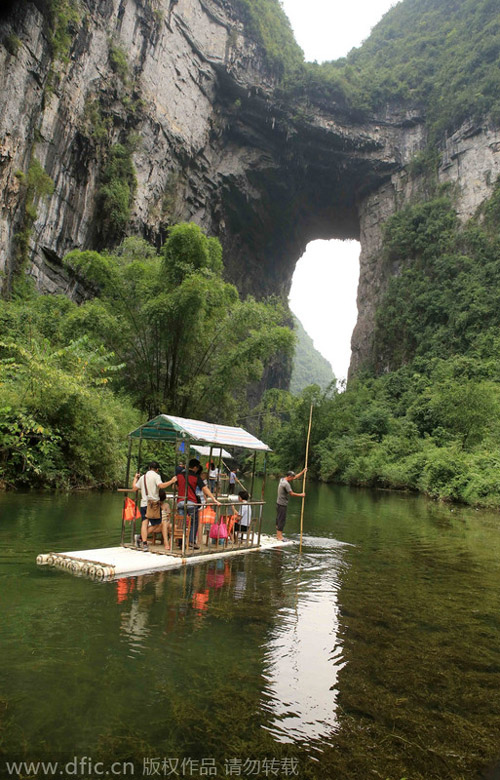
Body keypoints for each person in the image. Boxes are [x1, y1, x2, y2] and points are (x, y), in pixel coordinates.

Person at [164, 458, 220, 549]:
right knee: (194, 522)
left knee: (181, 522)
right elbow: (204, 488)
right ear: (194, 467)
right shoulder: (195, 477)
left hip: (180, 501)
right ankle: (191, 541)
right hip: (191, 502)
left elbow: (174, 486)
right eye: (197, 468)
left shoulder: (179, 475)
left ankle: (180, 542)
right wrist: (214, 499)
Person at [132, 461, 172, 552]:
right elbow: (161, 485)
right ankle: (141, 538)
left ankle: (144, 542)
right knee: (157, 523)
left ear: (149, 468)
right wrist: (171, 481)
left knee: (144, 523)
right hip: (154, 504)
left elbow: (134, 488)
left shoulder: (143, 477)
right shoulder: (156, 476)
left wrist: (135, 478)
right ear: (157, 470)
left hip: (144, 503)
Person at [275, 468, 307, 541]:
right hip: (282, 504)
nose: (293, 479)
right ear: (289, 477)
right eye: (292, 477)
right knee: (281, 520)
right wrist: (301, 495)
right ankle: (280, 537)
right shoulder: (286, 484)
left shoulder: (282, 479)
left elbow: (295, 477)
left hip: (278, 503)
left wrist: (303, 471)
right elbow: (291, 494)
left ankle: (278, 535)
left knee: (278, 519)